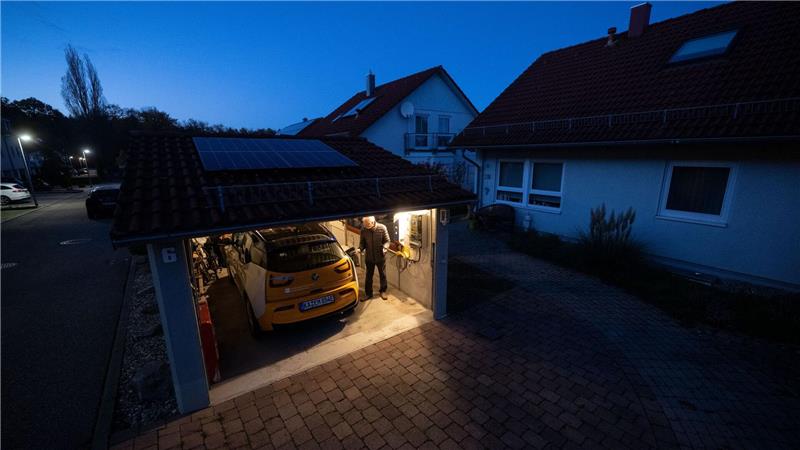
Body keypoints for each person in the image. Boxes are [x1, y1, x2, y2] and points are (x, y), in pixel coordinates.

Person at [358, 216, 390, 300]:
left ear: (373, 222)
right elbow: (362, 243)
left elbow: (387, 241)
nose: (365, 226)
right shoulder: (363, 230)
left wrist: (385, 248)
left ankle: (383, 291)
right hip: (369, 258)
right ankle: (368, 293)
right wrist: (359, 249)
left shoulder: (382, 228)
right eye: (364, 224)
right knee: (368, 276)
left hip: (380, 257)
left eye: (367, 224)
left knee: (382, 274)